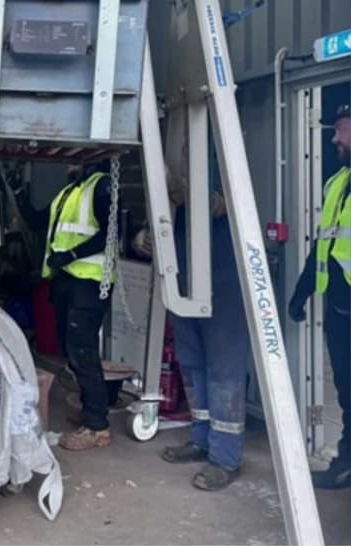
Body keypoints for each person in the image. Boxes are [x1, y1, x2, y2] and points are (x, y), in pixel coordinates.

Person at [136, 170, 250, 491]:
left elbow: (236, 206)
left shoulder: (228, 163)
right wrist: (143, 236)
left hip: (224, 280)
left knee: (224, 370)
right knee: (192, 364)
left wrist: (216, 201)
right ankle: (201, 440)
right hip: (184, 280)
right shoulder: (172, 166)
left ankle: (225, 457)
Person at [18, 162, 115, 451]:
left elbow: (110, 233)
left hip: (88, 282)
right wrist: (19, 196)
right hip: (67, 281)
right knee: (71, 351)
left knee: (83, 352)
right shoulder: (69, 193)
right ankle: (90, 411)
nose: (70, 165)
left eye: (77, 159)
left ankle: (98, 426)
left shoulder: (101, 186)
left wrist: (71, 253)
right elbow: (38, 221)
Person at [288, 103, 351, 490]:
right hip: (341, 311)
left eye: (340, 129)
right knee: (347, 389)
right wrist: (301, 294)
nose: (333, 138)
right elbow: (323, 249)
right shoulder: (336, 183)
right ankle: (348, 461)